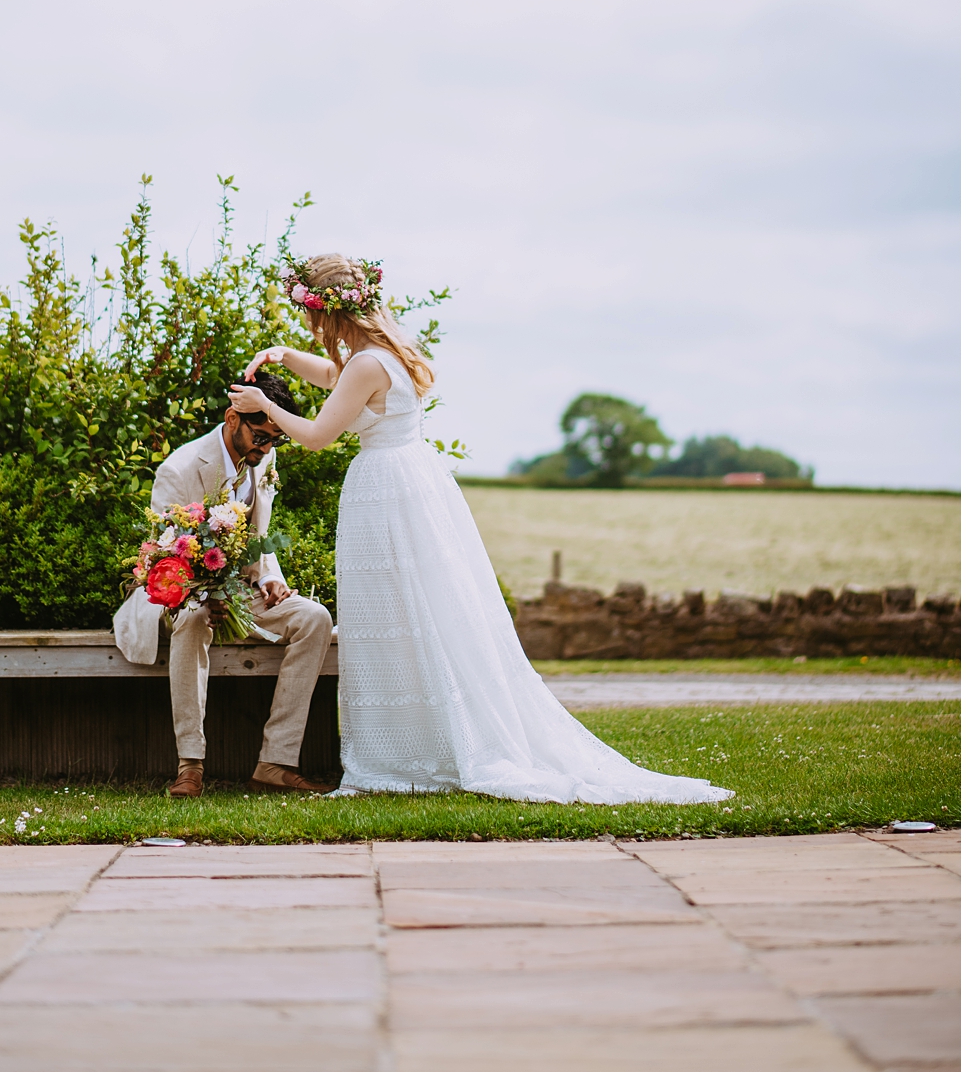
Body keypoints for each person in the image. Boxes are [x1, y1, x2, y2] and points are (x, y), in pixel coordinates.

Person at [230, 255, 733, 806]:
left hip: (387, 493)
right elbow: (335, 377)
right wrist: (283, 356)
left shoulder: (366, 365)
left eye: (310, 315)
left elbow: (322, 433)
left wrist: (262, 406)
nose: (310, 326)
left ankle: (410, 750)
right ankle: (422, 738)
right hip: (410, 484)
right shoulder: (386, 354)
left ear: (327, 311)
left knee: (400, 615)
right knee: (414, 614)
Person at [113, 371, 334, 798]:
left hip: (240, 591)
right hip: (177, 597)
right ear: (233, 418)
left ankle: (276, 762)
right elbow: (164, 559)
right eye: (260, 435)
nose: (267, 447)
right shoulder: (180, 468)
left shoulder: (262, 459)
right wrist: (205, 594)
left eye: (276, 439)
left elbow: (255, 539)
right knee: (196, 618)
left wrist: (268, 576)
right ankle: (190, 764)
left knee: (315, 618)